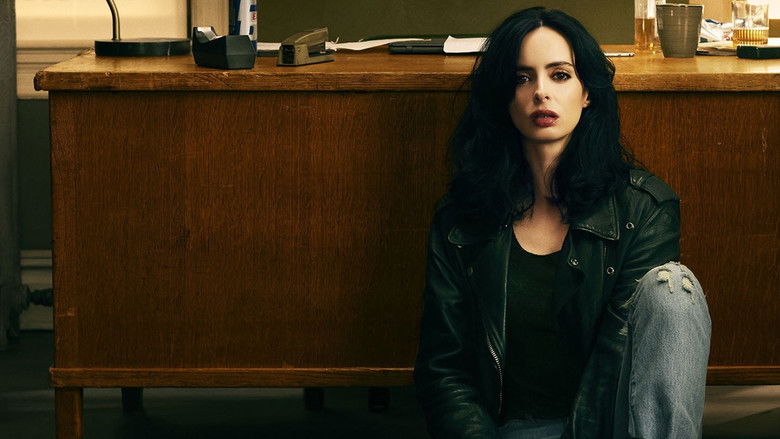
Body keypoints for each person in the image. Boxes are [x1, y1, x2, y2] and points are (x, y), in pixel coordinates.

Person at [413, 7, 711, 439]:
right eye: (521, 78)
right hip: (516, 430)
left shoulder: (643, 209)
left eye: (559, 75)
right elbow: (444, 371)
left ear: (586, 91)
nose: (540, 93)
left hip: (614, 426)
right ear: (503, 96)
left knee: (673, 291)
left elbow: (616, 360)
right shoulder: (461, 218)